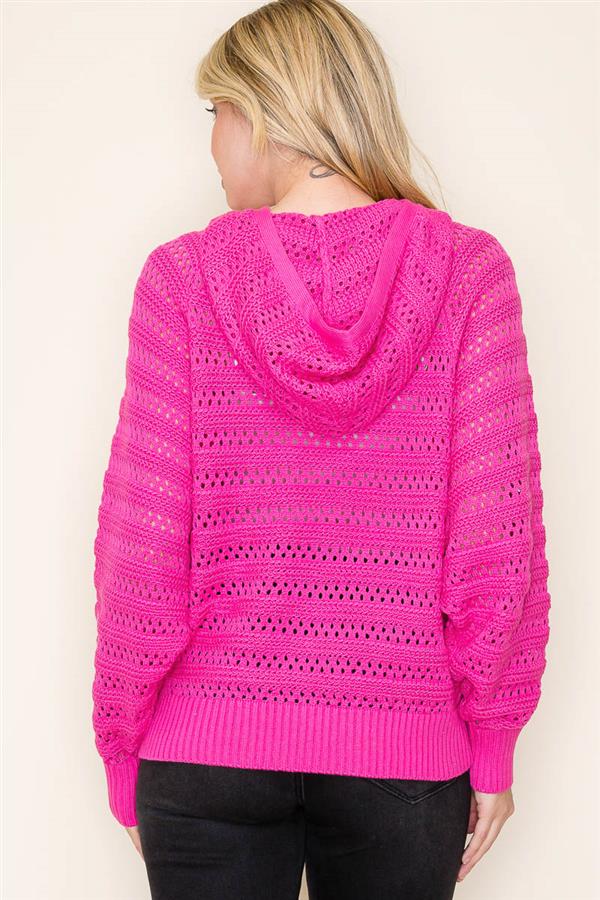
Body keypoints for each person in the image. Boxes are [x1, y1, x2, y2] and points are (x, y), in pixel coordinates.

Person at [90, 1, 551, 897]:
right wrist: (492, 740)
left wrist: (121, 745)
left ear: (268, 111)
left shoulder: (182, 280)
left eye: (216, 111)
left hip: (205, 753)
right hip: (406, 758)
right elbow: (496, 545)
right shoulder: (471, 274)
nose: (211, 142)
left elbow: (142, 547)